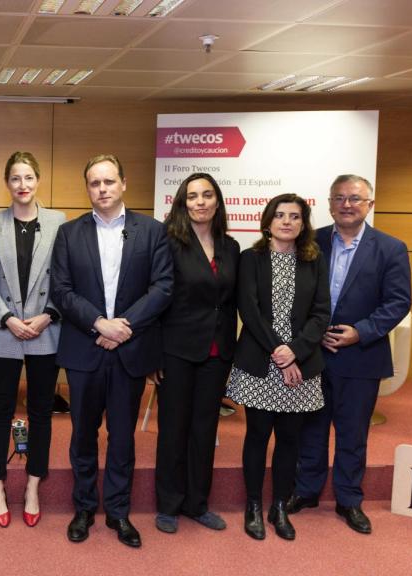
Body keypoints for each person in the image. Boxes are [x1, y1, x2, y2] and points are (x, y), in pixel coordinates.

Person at [51, 154, 173, 548]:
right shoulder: (69, 233)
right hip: (84, 349)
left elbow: (162, 288)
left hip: (130, 351)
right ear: (87, 188)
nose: (101, 189)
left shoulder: (152, 231)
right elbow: (61, 291)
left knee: (122, 437)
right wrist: (99, 324)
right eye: (94, 183)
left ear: (123, 183)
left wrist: (124, 327)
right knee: (83, 435)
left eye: (108, 181)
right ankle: (85, 507)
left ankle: (119, 513)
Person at [289, 175, 411, 534]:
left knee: (353, 433)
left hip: (362, 355)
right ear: (329, 203)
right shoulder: (310, 241)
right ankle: (307, 490)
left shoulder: (390, 248)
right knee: (310, 429)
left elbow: (398, 302)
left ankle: (349, 499)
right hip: (313, 354)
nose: (347, 204)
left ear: (369, 205)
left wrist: (361, 332)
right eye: (340, 198)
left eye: (355, 199)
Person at [225, 193, 330, 541]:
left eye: (295, 216)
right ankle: (253, 505)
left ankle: (280, 506)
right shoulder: (250, 258)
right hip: (261, 363)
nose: (287, 221)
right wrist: (279, 353)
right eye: (280, 215)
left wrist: (295, 352)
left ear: (303, 224)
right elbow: (249, 311)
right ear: (268, 221)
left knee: (290, 440)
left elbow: (321, 313)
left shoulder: (314, 260)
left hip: (300, 367)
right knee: (257, 436)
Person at [0, 151, 65, 528]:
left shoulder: (59, 222)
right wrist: (9, 318)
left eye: (28, 177)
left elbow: (66, 277)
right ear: (7, 182)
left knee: (41, 412)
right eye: (15, 178)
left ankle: (32, 485)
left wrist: (47, 316)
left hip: (47, 329)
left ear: (38, 179)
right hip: (3, 331)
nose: (23, 185)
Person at [154, 173, 239, 534]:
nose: (200, 202)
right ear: (182, 203)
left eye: (207, 195)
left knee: (205, 430)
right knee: (174, 429)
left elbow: (233, 302)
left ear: (217, 201)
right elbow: (158, 299)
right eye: (192, 196)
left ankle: (197, 504)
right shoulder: (169, 242)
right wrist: (153, 355)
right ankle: (169, 504)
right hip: (176, 350)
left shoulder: (231, 246)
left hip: (217, 353)